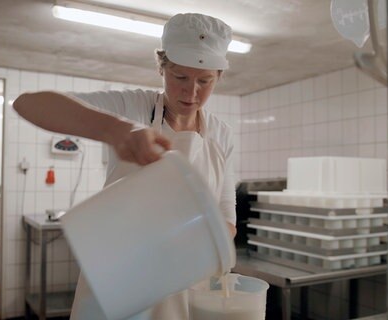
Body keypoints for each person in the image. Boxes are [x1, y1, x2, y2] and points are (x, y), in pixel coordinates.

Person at [13, 12, 236, 320]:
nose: (191, 92)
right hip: (116, 275)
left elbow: (226, 214)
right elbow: (27, 103)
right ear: (162, 68)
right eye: (180, 77)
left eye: (205, 81)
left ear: (219, 77)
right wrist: (115, 129)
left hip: (182, 281)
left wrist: (212, 239)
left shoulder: (221, 134)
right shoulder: (132, 107)